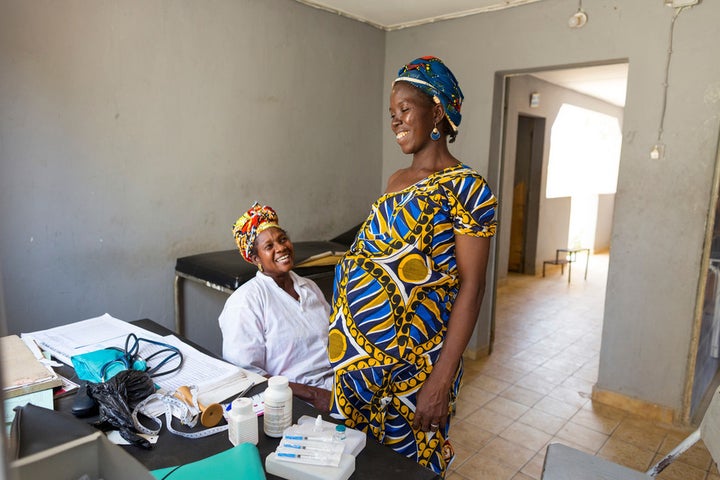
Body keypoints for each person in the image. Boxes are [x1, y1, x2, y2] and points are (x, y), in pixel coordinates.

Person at [327, 56, 497, 476]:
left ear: (437, 111)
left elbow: (472, 289)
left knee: (406, 467)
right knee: (354, 464)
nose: (396, 120)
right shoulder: (396, 180)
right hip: (356, 364)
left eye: (405, 109)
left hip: (413, 370)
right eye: (392, 113)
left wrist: (441, 379)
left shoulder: (468, 188)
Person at [218, 202, 332, 412]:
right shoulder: (246, 302)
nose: (281, 248)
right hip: (294, 400)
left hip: (336, 386)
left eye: (282, 239)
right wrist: (314, 395)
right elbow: (246, 375)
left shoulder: (309, 288)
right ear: (255, 259)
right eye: (269, 246)